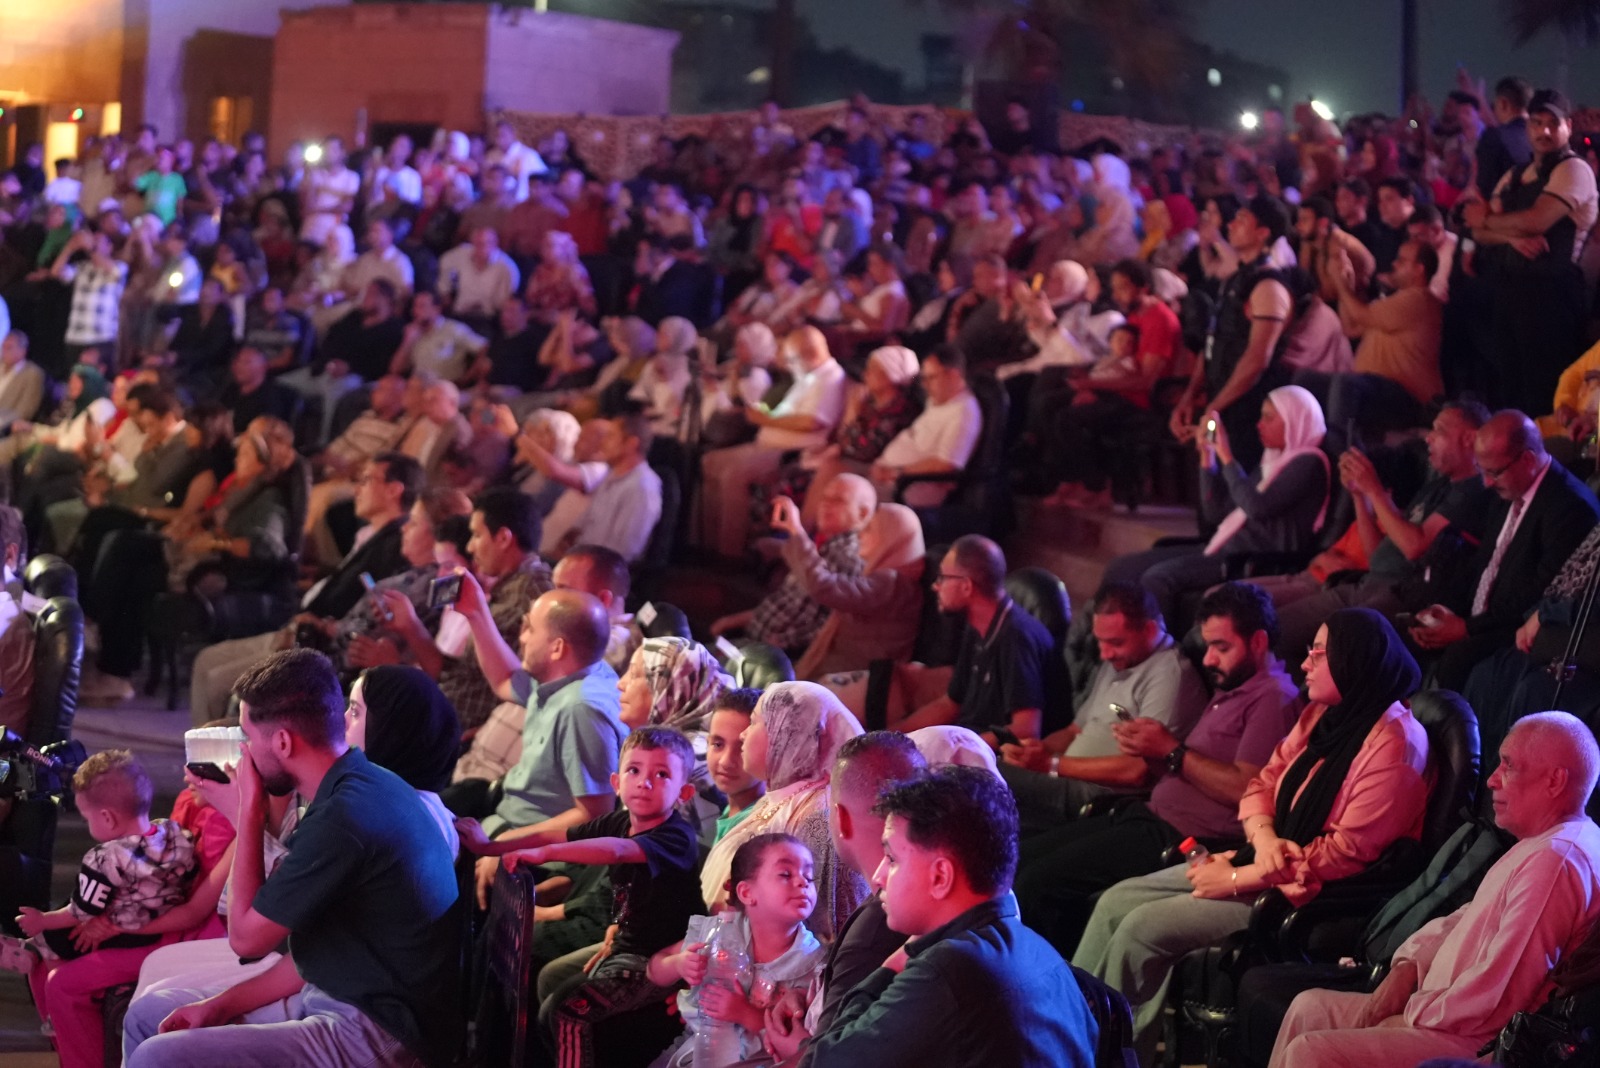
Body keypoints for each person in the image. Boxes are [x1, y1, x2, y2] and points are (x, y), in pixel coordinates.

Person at [1074, 608, 1430, 1063]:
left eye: (1320, 654)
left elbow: (1344, 855)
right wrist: (1262, 843)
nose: (1306, 663)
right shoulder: (1321, 716)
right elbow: (1262, 784)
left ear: (1355, 660)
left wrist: (1236, 878)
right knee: (1114, 902)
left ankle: (1110, 1058)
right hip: (1261, 860)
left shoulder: (1397, 745)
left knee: (1142, 929)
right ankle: (1069, 1038)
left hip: (1305, 896)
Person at [120, 649, 462, 1068]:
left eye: (248, 738)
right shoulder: (356, 783)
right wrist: (218, 1006)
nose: (244, 753)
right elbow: (312, 961)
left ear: (282, 742)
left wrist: (250, 811)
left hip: (380, 1031)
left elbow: (246, 940)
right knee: (148, 1016)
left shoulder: (344, 818)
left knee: (158, 1056)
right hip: (338, 996)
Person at [1268, 711, 1600, 1068]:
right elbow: (1466, 918)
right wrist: (1409, 965)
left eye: (1508, 766)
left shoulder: (1556, 860)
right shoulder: (1544, 843)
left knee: (1311, 1050)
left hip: (1477, 1039)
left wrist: (1413, 1015)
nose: (1492, 780)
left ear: (1555, 781)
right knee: (1308, 1008)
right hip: (1449, 1016)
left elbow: (1499, 995)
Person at [1012, 583, 1299, 957]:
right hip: (1145, 814)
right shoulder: (1232, 689)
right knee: (1020, 860)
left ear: (1258, 642)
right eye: (1208, 646)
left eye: (1221, 647)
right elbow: (1188, 769)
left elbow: (1247, 789)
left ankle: (1046, 983)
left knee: (1036, 885)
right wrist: (1149, 750)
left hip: (1182, 837)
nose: (1209, 659)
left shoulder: (1273, 698)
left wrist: (1172, 750)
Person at [806, 766, 1098, 1067]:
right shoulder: (1045, 955)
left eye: (892, 859)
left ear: (940, 876)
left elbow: (820, 1063)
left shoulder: (948, 972)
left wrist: (890, 967)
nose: (879, 876)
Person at [460, 726, 703, 1068]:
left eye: (661, 774)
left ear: (684, 792)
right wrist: (490, 847)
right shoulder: (620, 821)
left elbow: (617, 851)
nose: (644, 782)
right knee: (549, 977)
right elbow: (552, 833)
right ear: (617, 782)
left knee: (564, 1013)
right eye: (634, 770)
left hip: (661, 956)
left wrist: (543, 855)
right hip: (626, 941)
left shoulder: (676, 837)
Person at [1268, 401, 1493, 663]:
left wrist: (1374, 489)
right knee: (1273, 631)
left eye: (1440, 430)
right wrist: (1359, 495)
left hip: (1399, 597)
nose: (1429, 438)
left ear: (1469, 439)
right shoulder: (1437, 486)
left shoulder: (1474, 491)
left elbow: (1414, 547)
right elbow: (1376, 555)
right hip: (1367, 585)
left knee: (1329, 652)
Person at [1103, 385, 1329, 633]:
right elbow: (1216, 512)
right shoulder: (1272, 462)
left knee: (1158, 578)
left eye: (1269, 418)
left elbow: (1256, 508)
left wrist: (1226, 455)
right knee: (1122, 568)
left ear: (1295, 421)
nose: (1259, 425)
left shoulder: (1309, 462)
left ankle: (1160, 649)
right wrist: (1207, 457)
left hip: (1250, 558)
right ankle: (1110, 641)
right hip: (1223, 546)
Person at [450, 585, 624, 907]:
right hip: (504, 825)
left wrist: (505, 846)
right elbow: (504, 680)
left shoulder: (581, 710)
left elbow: (594, 814)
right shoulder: (570, 674)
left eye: (529, 628)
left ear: (557, 648)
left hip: (533, 855)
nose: (522, 637)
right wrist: (476, 613)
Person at [1405, 410, 1599, 689]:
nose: (1486, 482)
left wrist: (1467, 628)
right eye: (1482, 470)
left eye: (1494, 472)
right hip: (1482, 616)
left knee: (1457, 660)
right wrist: (1446, 611)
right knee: (1406, 636)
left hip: (1515, 627)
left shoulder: (1570, 507)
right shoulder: (1508, 489)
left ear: (1528, 460)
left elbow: (1540, 593)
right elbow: (1483, 564)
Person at [999, 583, 1209, 832]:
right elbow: (1074, 731)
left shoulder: (1170, 674)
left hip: (1106, 798)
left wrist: (1050, 764)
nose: (1105, 654)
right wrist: (1035, 751)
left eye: (1116, 642)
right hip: (1065, 777)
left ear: (1150, 629)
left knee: (987, 776)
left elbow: (1138, 772)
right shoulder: (1119, 662)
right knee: (990, 766)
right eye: (1100, 641)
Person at [1464, 89, 1598, 416]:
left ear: (1568, 126)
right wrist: (1509, 238)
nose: (1544, 131)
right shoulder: (1515, 173)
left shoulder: (1574, 169)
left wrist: (1488, 221)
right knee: (1511, 392)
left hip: (1552, 294)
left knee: (1546, 395)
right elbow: (1476, 231)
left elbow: (1536, 220)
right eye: (1537, 123)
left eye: (1553, 123)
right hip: (1511, 290)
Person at [2, 750, 196, 973]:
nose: (87, 824)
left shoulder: (103, 859)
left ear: (107, 818)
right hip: (158, 920)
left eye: (87, 819)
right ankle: (30, 948)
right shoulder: (173, 832)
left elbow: (81, 911)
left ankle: (44, 964)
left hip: (128, 933)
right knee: (80, 896)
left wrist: (43, 920)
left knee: (51, 932)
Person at [702, 682, 867, 942]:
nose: (744, 735)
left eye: (754, 723)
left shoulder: (818, 815)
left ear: (785, 735)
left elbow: (827, 926)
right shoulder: (776, 799)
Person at [648, 832, 827, 1067]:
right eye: (786, 874)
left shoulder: (813, 963)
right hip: (694, 1050)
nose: (803, 882)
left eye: (809, 876)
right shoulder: (719, 932)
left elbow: (798, 1042)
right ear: (746, 893)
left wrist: (746, 1014)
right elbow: (654, 969)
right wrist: (678, 964)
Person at [699, 326, 848, 557]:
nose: (789, 364)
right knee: (709, 461)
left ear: (810, 354)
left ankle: (728, 555)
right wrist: (762, 412)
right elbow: (784, 412)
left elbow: (813, 422)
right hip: (768, 442)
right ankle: (708, 545)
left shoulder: (830, 378)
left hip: (789, 451)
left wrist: (765, 419)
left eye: (792, 359)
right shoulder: (809, 376)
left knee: (733, 475)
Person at [1170, 195, 1294, 469]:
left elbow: (1257, 358)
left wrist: (1215, 407)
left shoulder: (1269, 287)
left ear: (1263, 233)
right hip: (1220, 404)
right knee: (1210, 478)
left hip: (1248, 410)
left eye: (1242, 220)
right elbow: (1213, 342)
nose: (1231, 225)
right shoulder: (1234, 279)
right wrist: (1190, 396)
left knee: (1238, 481)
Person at [893, 535, 1058, 742]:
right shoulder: (977, 626)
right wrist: (891, 735)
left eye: (942, 577)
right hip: (966, 739)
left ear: (966, 586)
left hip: (988, 754)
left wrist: (958, 748)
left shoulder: (1017, 637)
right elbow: (949, 704)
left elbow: (1025, 729)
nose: (935, 586)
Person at [711, 475, 874, 655]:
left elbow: (828, 626)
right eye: (824, 497)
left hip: (767, 657)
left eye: (838, 500)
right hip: (749, 639)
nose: (825, 504)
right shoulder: (824, 547)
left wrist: (774, 646)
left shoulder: (849, 555)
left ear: (862, 513)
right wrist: (732, 621)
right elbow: (786, 603)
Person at [786, 499, 926, 679]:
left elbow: (824, 587)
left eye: (869, 529)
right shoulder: (888, 578)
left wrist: (797, 531)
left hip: (850, 680)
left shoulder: (893, 584)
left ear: (890, 538)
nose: (859, 534)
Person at [1321, 239, 1444, 434]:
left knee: (1346, 384)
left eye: (1401, 261)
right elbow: (1351, 327)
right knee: (1308, 380)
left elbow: (1360, 315)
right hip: (1375, 388)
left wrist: (1340, 284)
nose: (1394, 264)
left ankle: (1340, 448)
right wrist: (1347, 283)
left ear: (1419, 270)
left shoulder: (1418, 300)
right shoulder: (1396, 301)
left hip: (1408, 397)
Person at [565, 409, 663, 563]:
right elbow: (581, 525)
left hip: (598, 569)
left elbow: (624, 552)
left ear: (631, 443)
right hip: (578, 559)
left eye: (610, 436)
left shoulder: (642, 488)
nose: (602, 442)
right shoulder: (611, 476)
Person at [705, 688, 768, 843]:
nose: (725, 761)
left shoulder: (759, 830)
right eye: (718, 744)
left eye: (742, 747)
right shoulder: (734, 809)